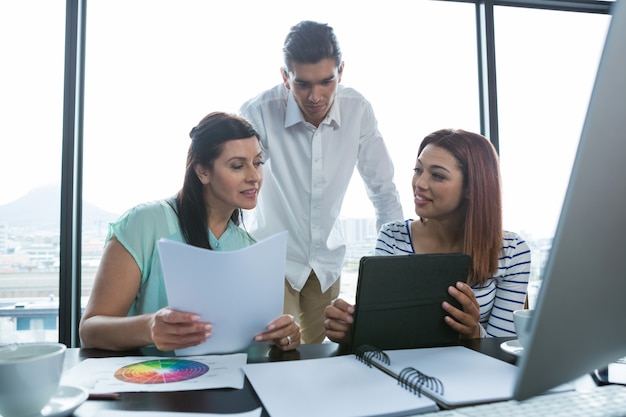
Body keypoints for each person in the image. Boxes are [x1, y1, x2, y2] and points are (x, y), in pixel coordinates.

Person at [79, 111, 301, 352]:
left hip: (226, 382)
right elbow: (91, 330)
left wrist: (284, 336)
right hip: (151, 379)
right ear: (203, 172)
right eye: (237, 166)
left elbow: (254, 342)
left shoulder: (248, 248)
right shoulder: (145, 223)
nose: (254, 176)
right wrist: (149, 327)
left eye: (258, 162)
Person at [240, 21, 403, 344]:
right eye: (302, 84)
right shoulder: (258, 113)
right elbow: (237, 187)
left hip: (326, 263)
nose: (315, 96)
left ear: (340, 72)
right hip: (272, 262)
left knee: (320, 361)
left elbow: (384, 193)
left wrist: (391, 272)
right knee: (279, 357)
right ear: (285, 77)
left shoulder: (358, 111)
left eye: (326, 81)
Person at [324, 129, 531, 344]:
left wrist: (472, 333)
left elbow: (504, 350)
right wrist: (352, 331)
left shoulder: (513, 252)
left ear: (471, 187)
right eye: (418, 170)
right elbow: (384, 336)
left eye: (438, 175)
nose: (419, 183)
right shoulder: (392, 238)